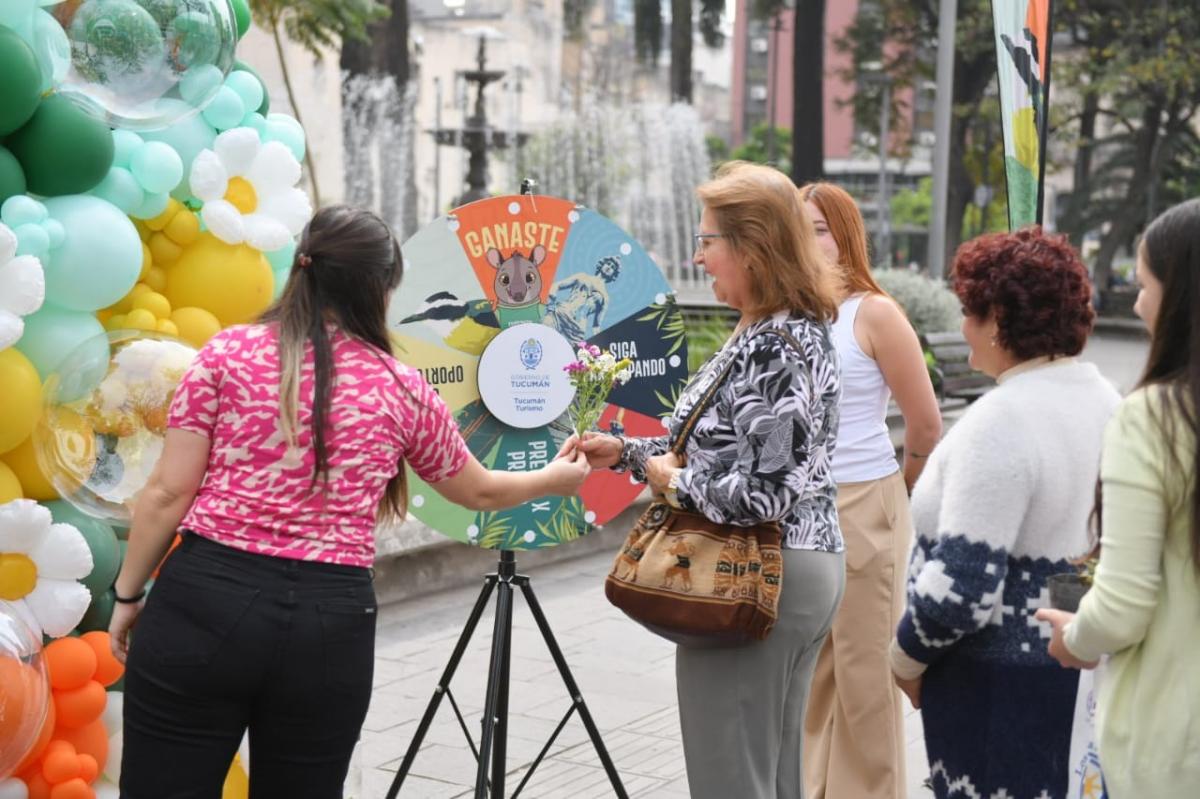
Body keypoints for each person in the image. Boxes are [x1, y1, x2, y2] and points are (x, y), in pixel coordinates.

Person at [108, 205, 591, 798]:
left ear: (301, 268)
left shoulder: (227, 354)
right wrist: (554, 478)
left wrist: (128, 595)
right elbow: (478, 490)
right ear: (379, 288)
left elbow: (167, 492)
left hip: (205, 600)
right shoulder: (402, 388)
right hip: (329, 623)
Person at [567, 161, 844, 799]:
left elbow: (767, 492)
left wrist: (672, 483)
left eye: (707, 241)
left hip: (758, 574)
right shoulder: (775, 329)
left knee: (733, 781)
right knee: (770, 777)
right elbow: (712, 447)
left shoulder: (775, 345)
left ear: (753, 247)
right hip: (788, 569)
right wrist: (628, 452)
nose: (697, 258)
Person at [888, 228, 1120, 799]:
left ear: (996, 318)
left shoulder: (1002, 422)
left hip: (993, 692)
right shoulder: (1108, 403)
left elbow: (963, 587)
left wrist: (905, 657)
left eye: (968, 310)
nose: (963, 324)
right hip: (1079, 675)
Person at [1037, 199, 1200, 797]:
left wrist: (1073, 638)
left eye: (1145, 285)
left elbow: (1124, 605)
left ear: (1181, 297)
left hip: (1172, 744)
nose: (1137, 303)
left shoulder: (1156, 417)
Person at [798, 182, 942, 799]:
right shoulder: (788, 314)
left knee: (864, 673)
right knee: (811, 672)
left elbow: (925, 424)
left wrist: (900, 493)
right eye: (798, 228)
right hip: (799, 507)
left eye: (819, 229)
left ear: (846, 237)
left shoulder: (874, 313)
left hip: (865, 498)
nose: (808, 240)